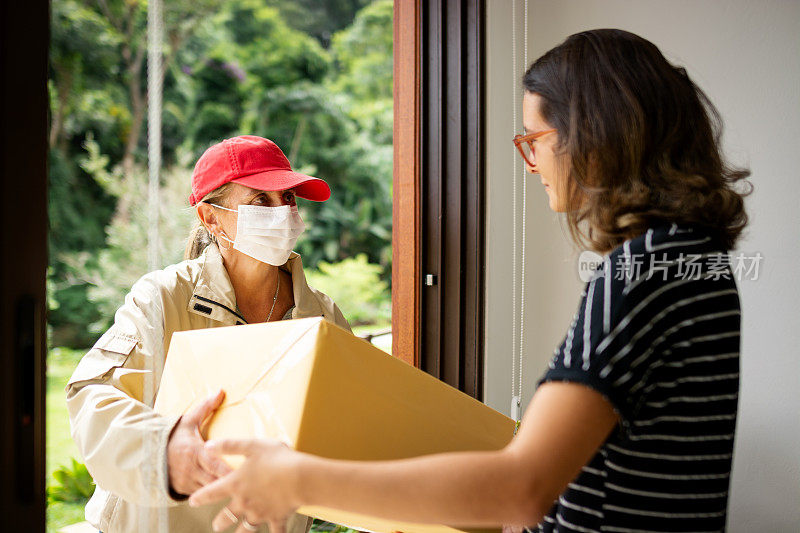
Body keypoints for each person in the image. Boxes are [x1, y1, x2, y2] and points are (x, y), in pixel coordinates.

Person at [189, 29, 751, 533]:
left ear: (592, 136)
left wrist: (298, 481)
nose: (532, 164)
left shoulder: (639, 272)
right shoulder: (692, 260)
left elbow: (522, 487)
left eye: (535, 140)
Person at [66, 135, 351, 533]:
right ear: (210, 218)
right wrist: (163, 451)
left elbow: (351, 426)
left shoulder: (323, 316)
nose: (284, 213)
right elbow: (92, 397)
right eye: (261, 201)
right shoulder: (162, 298)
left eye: (288, 198)